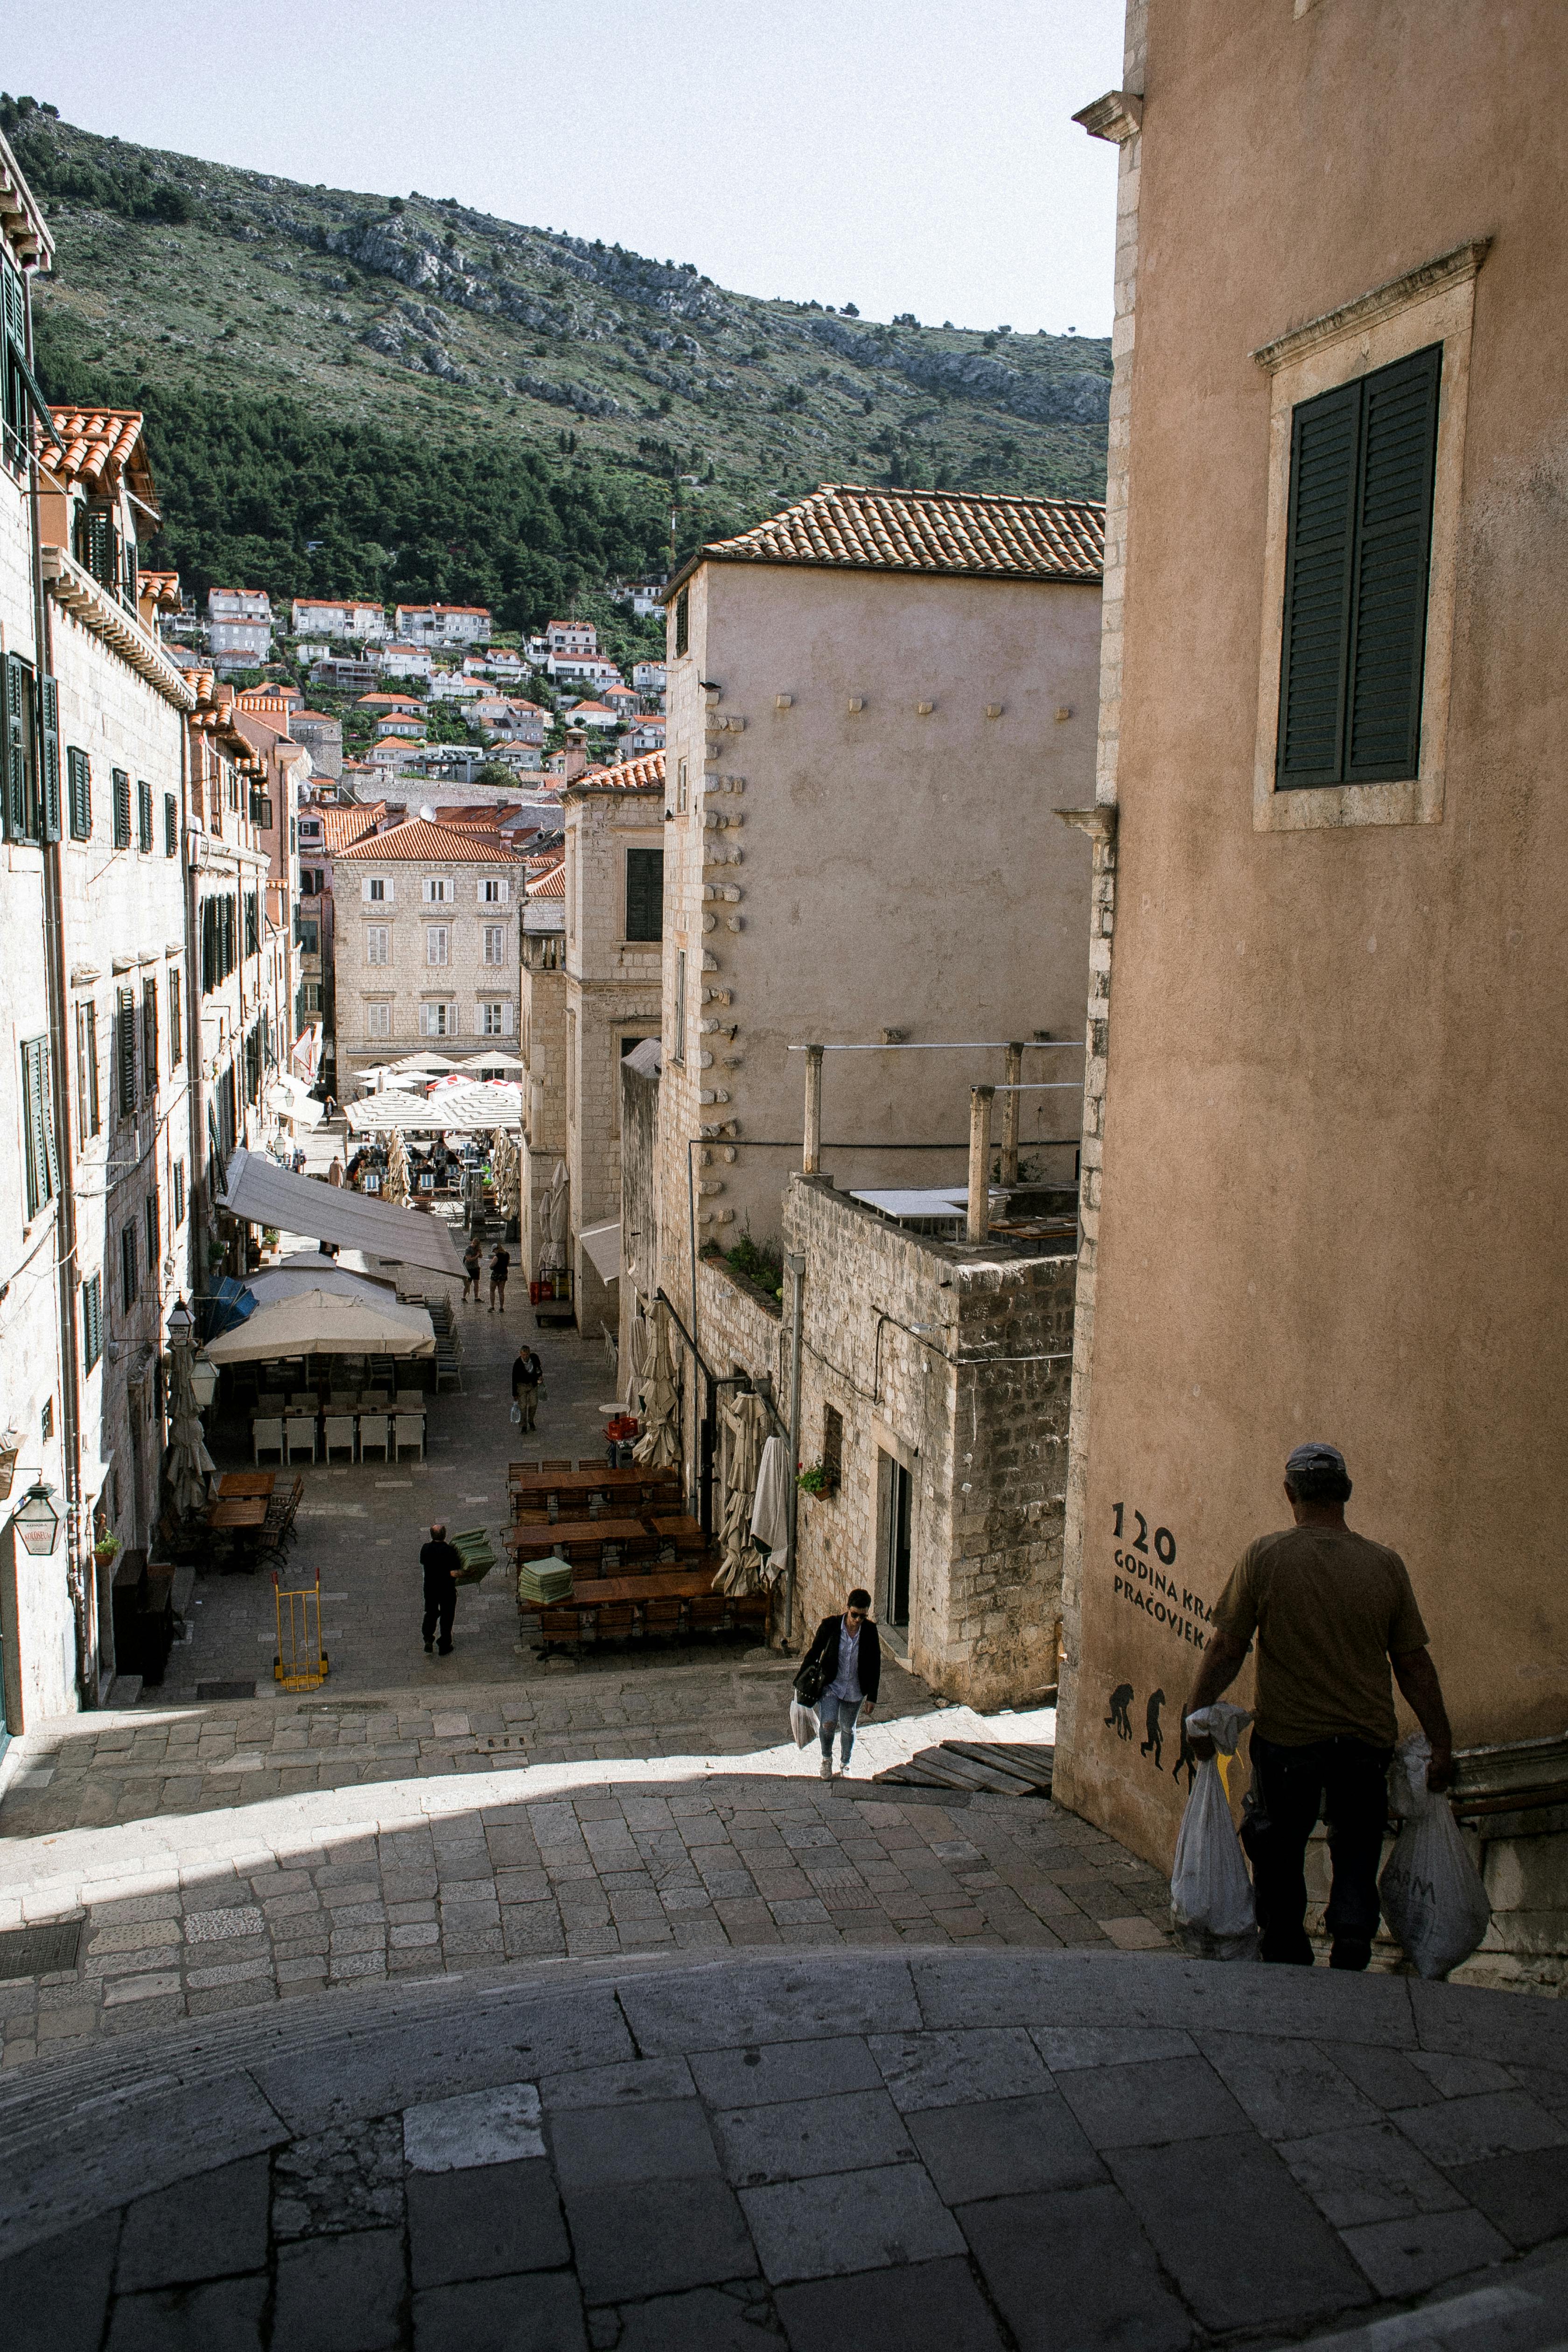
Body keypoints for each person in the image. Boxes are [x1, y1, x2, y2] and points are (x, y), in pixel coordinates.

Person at [1184, 1440, 1453, 1972]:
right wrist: (1441, 1742)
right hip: (1364, 1744)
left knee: (1279, 1847)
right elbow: (1413, 1665)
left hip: (1289, 1743)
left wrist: (1196, 1712)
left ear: (1290, 1494)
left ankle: (1286, 1943)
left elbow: (1226, 1648)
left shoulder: (1264, 1558)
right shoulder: (1386, 1566)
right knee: (1357, 1846)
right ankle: (1352, 1935)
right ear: (1346, 1494)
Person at [800, 1588, 880, 1781]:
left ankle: (846, 1762)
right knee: (828, 1724)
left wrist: (872, 1696)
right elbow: (814, 1652)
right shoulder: (831, 1626)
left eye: (863, 1616)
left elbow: (875, 1662)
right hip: (831, 1685)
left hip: (855, 1688)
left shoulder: (870, 1631)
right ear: (848, 1609)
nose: (858, 1620)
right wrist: (800, 1679)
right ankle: (827, 1759)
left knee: (847, 1728)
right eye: (855, 1615)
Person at [420, 1521, 462, 1656]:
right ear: (445, 1535)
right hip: (446, 1589)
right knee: (447, 1616)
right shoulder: (450, 1551)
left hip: (430, 1588)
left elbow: (423, 1561)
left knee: (431, 1613)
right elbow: (456, 1569)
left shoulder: (425, 1549)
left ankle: (428, 1638)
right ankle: (444, 1644)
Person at [511, 1345, 543, 1430]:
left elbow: (538, 1368)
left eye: (527, 1355)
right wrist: (515, 1393)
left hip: (532, 1385)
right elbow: (514, 1379)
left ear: (529, 1354)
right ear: (521, 1354)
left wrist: (540, 1376)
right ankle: (524, 1425)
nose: (525, 1357)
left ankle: (531, 1420)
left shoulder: (535, 1358)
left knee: (534, 1403)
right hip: (522, 1386)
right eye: (523, 1355)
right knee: (523, 1406)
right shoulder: (518, 1364)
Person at [488, 1241, 511, 1313]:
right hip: (504, 1274)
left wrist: (492, 1267)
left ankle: (492, 1307)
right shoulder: (507, 1255)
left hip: (496, 1274)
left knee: (492, 1291)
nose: (494, 1252)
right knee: (501, 1292)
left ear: (496, 1249)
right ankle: (501, 1307)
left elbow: (491, 1266)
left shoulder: (497, 1256)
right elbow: (508, 1263)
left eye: (494, 1251)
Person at [462, 1238, 483, 1304]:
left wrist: (479, 1253)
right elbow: (469, 1259)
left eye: (476, 1244)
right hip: (469, 1268)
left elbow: (481, 1257)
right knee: (468, 1284)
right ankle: (464, 1297)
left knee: (476, 1283)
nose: (474, 1245)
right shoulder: (468, 1249)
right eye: (474, 1243)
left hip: (476, 1268)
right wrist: (477, 1256)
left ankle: (477, 1297)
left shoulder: (477, 1249)